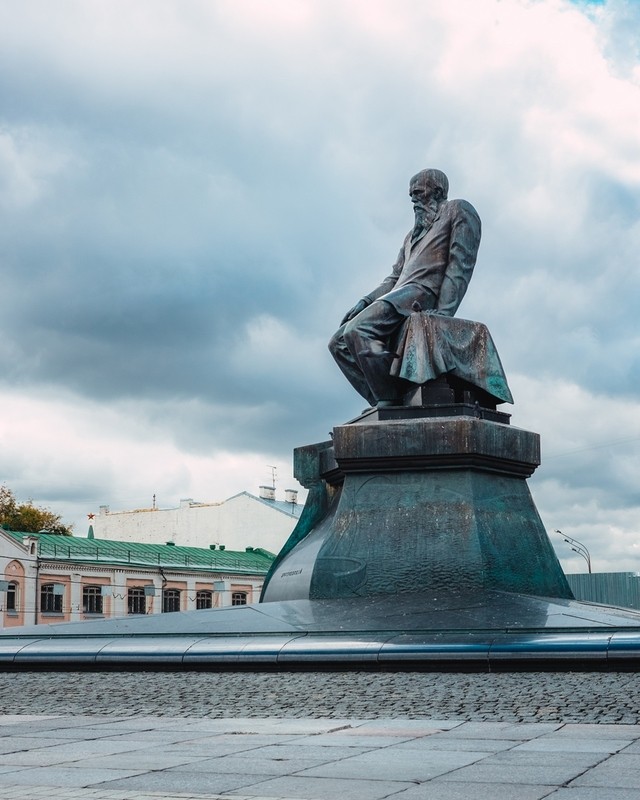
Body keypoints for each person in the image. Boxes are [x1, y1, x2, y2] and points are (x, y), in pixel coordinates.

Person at [328, 169, 481, 407]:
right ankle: (388, 398)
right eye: (411, 194)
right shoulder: (410, 236)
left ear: (438, 192)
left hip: (422, 293)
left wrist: (444, 311)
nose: (413, 200)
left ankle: (388, 399)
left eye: (418, 192)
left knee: (356, 331)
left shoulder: (458, 210)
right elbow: (394, 278)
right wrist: (365, 301)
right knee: (337, 343)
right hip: (397, 295)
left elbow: (460, 264)